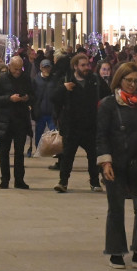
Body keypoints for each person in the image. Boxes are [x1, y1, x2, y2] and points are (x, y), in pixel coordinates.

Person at [96, 62, 137, 270]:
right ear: (120, 80)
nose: (133, 85)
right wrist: (105, 161)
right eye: (129, 80)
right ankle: (116, 251)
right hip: (116, 162)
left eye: (136, 81)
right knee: (116, 208)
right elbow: (101, 135)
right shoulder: (108, 104)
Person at [53, 52, 102, 193]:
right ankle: (63, 182)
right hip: (72, 126)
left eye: (88, 64)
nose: (87, 67)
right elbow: (53, 98)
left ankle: (95, 182)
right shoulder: (66, 80)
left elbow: (106, 95)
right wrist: (64, 88)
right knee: (68, 156)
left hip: (91, 126)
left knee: (93, 156)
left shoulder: (95, 80)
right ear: (75, 66)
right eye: (83, 65)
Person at [0, 55, 34, 189]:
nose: (17, 72)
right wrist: (9, 98)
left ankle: (19, 180)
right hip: (5, 120)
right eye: (15, 69)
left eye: (19, 69)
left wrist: (27, 98)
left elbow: (33, 94)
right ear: (9, 67)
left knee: (19, 152)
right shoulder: (1, 79)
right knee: (4, 151)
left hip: (20, 120)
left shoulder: (26, 78)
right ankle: (5, 179)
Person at [31, 58, 57, 150]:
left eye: (48, 67)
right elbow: (33, 94)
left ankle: (55, 150)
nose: (46, 69)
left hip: (51, 111)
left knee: (54, 132)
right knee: (39, 131)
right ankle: (38, 149)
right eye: (44, 67)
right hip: (40, 111)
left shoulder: (54, 79)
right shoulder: (36, 80)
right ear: (41, 68)